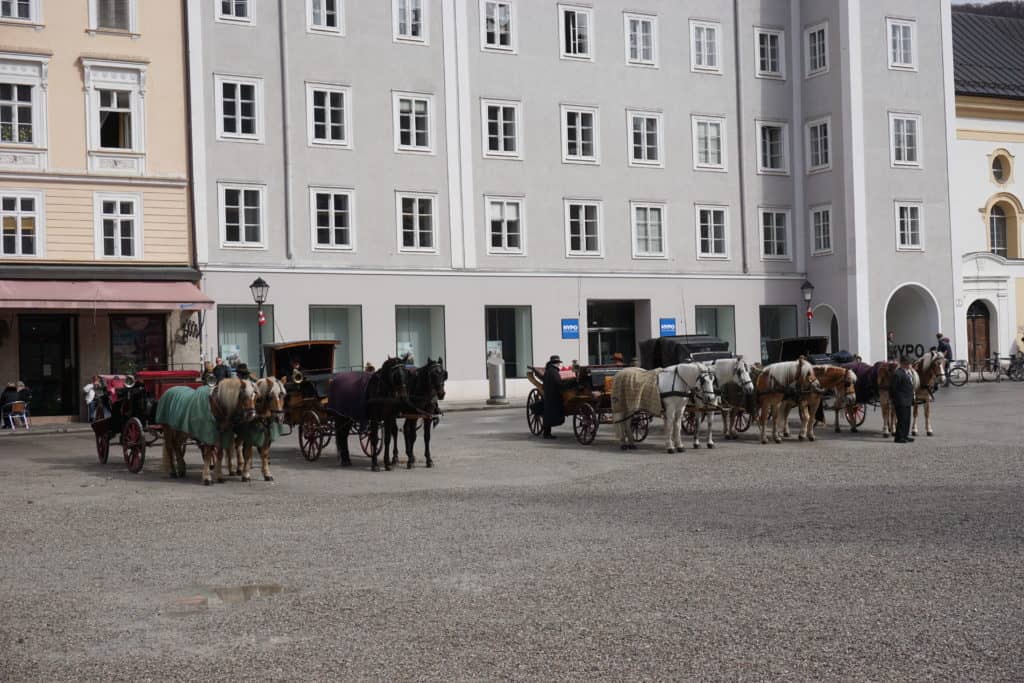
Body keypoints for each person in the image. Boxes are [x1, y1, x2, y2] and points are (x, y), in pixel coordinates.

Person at [891, 355, 916, 444]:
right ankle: (899, 437)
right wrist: (897, 400)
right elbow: (894, 388)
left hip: (907, 400)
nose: (910, 365)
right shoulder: (898, 373)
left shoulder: (906, 372)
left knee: (907, 419)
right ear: (904, 364)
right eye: (909, 363)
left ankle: (905, 435)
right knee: (901, 420)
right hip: (901, 401)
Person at [541, 354, 565, 439]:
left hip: (549, 395)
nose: (559, 365)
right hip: (554, 396)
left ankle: (546, 433)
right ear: (555, 363)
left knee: (548, 415)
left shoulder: (549, 371)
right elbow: (559, 384)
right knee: (550, 415)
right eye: (558, 363)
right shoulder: (554, 372)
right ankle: (547, 434)